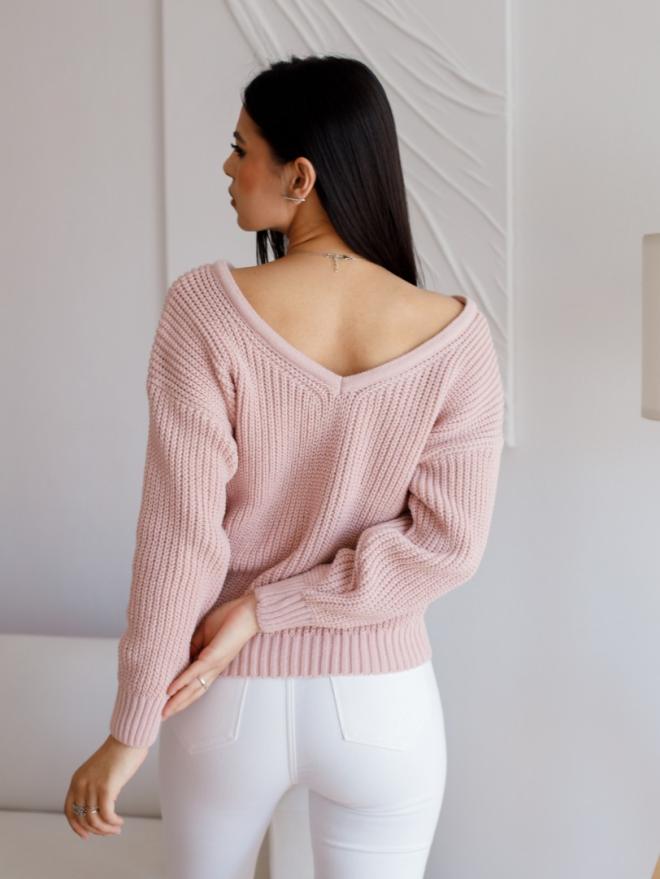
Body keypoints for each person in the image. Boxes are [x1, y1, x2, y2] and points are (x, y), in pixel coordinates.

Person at [64, 54, 505, 879]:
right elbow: (447, 547)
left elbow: (180, 540)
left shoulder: (205, 311)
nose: (227, 168)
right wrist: (273, 611)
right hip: (383, 705)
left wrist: (130, 730)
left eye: (242, 149)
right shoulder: (457, 338)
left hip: (224, 696)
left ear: (300, 177)